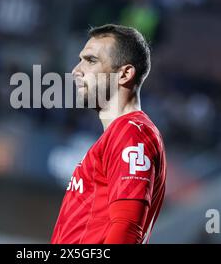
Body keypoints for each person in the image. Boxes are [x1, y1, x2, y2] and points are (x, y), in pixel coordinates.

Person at [51, 24, 167, 244]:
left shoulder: (132, 133)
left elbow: (127, 229)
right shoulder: (120, 134)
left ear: (124, 74)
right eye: (80, 59)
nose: (76, 70)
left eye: (91, 60)